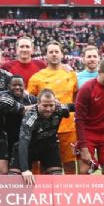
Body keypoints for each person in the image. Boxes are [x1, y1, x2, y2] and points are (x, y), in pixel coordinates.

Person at [27, 41, 79, 174]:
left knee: (70, 164)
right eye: (51, 52)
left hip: (68, 128)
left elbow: (76, 99)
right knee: (44, 166)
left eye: (57, 51)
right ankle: (42, 193)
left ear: (62, 54)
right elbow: (29, 101)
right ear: (46, 56)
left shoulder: (71, 74)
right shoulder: (37, 77)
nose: (54, 54)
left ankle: (69, 192)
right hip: (44, 129)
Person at [74, 59, 104, 175]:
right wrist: (83, 147)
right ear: (99, 72)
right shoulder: (87, 89)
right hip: (88, 133)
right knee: (84, 171)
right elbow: (79, 120)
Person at [10, 89, 70, 185]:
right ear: (38, 103)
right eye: (45, 106)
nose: (48, 109)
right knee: (13, 178)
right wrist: (25, 170)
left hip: (49, 147)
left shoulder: (60, 108)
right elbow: (23, 143)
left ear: (55, 103)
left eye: (51, 105)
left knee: (57, 179)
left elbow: (76, 107)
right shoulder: (30, 116)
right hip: (28, 147)